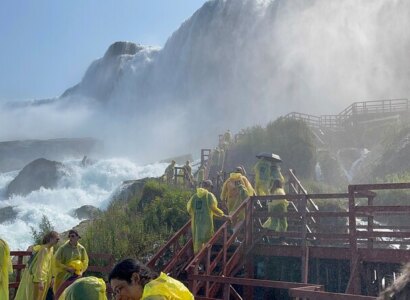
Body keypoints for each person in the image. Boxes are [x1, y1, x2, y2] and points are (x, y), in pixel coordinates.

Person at [109, 258, 194, 300]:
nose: (118, 298)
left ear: (135, 278)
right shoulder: (162, 284)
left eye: (119, 289)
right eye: (115, 293)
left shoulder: (154, 295)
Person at [15, 231, 60, 300]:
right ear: (51, 239)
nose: (58, 240)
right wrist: (40, 281)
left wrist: (52, 277)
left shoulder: (51, 249)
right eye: (57, 239)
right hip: (38, 279)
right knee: (35, 298)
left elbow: (50, 264)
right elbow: (40, 266)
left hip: (45, 277)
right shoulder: (43, 249)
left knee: (41, 297)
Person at [187, 180, 229, 254]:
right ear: (209, 186)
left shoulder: (195, 196)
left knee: (198, 243)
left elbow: (190, 209)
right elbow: (214, 209)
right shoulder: (209, 195)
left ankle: (198, 262)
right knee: (207, 244)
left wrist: (198, 214)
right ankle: (204, 262)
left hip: (197, 224)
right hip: (206, 224)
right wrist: (223, 215)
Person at [53, 229, 89, 299]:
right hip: (62, 276)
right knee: (60, 295)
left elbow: (84, 261)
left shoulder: (81, 249)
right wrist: (67, 268)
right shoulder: (62, 248)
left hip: (76, 276)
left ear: (78, 237)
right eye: (69, 236)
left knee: (74, 295)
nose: (70, 238)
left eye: (72, 236)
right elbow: (56, 262)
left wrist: (81, 271)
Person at [262, 180, 289, 244]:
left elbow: (270, 201)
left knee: (273, 223)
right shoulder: (280, 190)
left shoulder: (272, 191)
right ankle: (281, 240)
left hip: (272, 208)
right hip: (280, 208)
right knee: (283, 224)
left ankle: (266, 237)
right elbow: (282, 200)